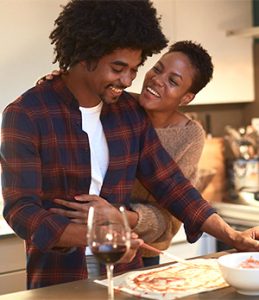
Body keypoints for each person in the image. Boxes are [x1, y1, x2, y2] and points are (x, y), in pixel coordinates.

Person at [1, 0, 259, 291]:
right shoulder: (26, 114)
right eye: (118, 68)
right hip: (59, 278)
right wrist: (99, 236)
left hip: (128, 276)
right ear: (87, 55)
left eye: (134, 69)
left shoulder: (128, 111)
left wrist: (232, 236)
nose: (127, 80)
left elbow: (171, 184)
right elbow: (21, 211)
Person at [45, 40, 213, 268]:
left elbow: (172, 210)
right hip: (88, 241)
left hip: (143, 248)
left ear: (186, 98)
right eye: (158, 68)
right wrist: (63, 85)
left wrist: (120, 216)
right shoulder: (115, 102)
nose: (157, 80)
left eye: (173, 81)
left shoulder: (189, 136)